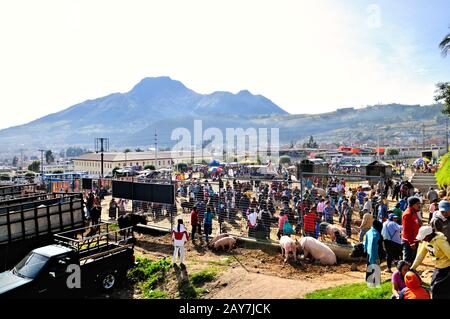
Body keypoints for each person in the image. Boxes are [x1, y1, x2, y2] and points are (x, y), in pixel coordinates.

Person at [411, 225, 450, 299]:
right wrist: (413, 268)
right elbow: (420, 255)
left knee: (437, 288)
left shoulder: (440, 241)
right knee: (435, 287)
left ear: (429, 235)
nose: (423, 240)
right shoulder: (426, 242)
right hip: (438, 268)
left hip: (446, 268)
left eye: (424, 237)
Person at [401, 197, 422, 264]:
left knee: (413, 259)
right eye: (417, 204)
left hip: (414, 239)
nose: (419, 205)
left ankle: (411, 272)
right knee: (407, 261)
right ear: (412, 204)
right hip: (409, 241)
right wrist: (411, 243)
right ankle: (405, 273)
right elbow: (406, 230)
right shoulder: (408, 214)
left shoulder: (414, 212)